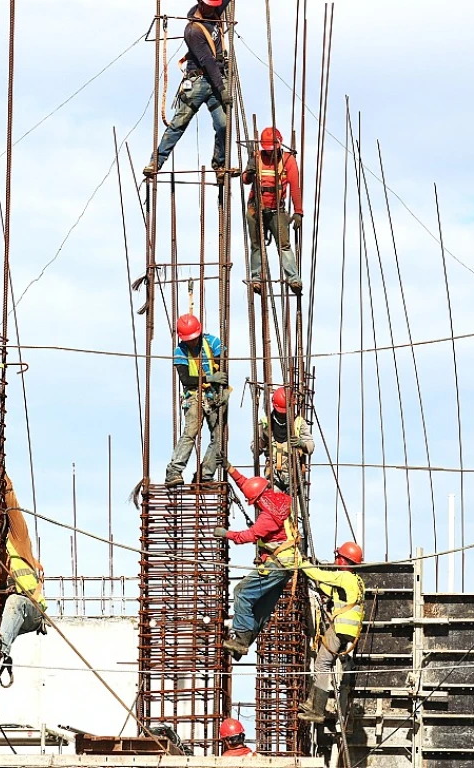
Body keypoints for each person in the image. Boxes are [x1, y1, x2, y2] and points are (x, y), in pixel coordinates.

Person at [215, 464, 301, 658]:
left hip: (277, 564)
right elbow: (248, 484)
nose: (252, 505)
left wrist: (225, 533)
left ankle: (242, 638)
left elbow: (248, 536)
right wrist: (230, 469)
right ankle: (243, 642)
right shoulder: (279, 499)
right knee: (261, 608)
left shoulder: (267, 518)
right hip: (286, 564)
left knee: (242, 592)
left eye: (253, 502)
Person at [143, 0, 233, 180]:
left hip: (216, 79)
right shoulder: (193, 31)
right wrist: (222, 89)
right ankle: (156, 162)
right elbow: (208, 61)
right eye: (208, 5)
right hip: (199, 81)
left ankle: (220, 164)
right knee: (179, 123)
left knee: (223, 125)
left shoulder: (214, 12)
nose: (212, 8)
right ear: (200, 3)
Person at [298, 542, 365, 723]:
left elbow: (319, 574)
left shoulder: (344, 576)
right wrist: (316, 584)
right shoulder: (357, 580)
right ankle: (313, 702)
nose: (336, 560)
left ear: (343, 560)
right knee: (324, 662)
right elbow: (331, 590)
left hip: (340, 628)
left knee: (322, 665)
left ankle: (317, 709)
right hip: (349, 631)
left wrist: (300, 562)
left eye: (338, 557)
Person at [165, 314, 228, 487]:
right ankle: (174, 471)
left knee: (220, 436)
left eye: (193, 339)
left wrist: (225, 388)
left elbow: (223, 366)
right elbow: (185, 379)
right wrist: (210, 378)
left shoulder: (213, 343)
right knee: (190, 432)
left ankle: (205, 475)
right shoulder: (180, 351)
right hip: (193, 396)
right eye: (188, 340)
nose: (191, 342)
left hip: (213, 396)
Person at [0, 477, 48, 687]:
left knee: (14, 602)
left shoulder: (17, 540)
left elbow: (12, 505)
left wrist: (3, 478)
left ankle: (1, 649)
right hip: (11, 617)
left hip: (32, 610)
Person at [242, 127, 303, 294]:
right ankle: (256, 279)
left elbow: (295, 187)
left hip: (277, 210)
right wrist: (250, 171)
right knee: (256, 245)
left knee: (284, 245)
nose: (269, 153)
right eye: (267, 150)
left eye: (272, 150)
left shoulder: (288, 160)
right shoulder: (257, 157)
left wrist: (298, 211)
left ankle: (293, 279)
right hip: (256, 209)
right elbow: (245, 180)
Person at [252, 386, 314, 492]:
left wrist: (301, 444)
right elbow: (255, 450)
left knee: (293, 506)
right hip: (273, 477)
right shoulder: (266, 423)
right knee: (274, 504)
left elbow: (311, 446)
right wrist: (263, 439)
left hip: (294, 477)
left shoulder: (299, 423)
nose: (282, 414)